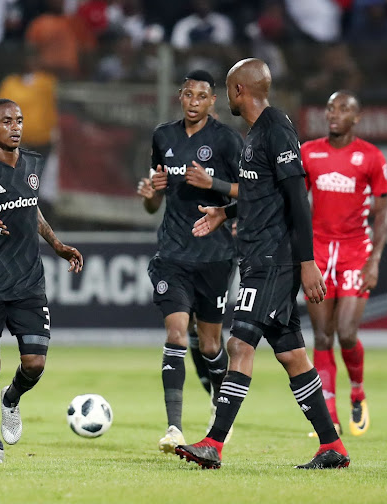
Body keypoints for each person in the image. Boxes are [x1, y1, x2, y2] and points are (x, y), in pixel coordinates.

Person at [177, 58, 349, 470]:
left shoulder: (275, 129)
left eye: (227, 89)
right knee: (292, 356)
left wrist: (307, 263)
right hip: (258, 255)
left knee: (240, 345)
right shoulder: (256, 134)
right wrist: (227, 212)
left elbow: (297, 199)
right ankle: (332, 447)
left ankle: (213, 444)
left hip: (273, 260)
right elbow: (264, 195)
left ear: (239, 91)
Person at [0, 98, 84, 464]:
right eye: (6, 121)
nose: (15, 126)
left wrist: (56, 244)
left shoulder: (31, 164)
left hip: (28, 281)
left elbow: (31, 206)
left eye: (20, 120)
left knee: (34, 364)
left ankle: (11, 399)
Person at [136, 69, 243, 454]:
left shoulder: (228, 141)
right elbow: (152, 202)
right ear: (180, 97)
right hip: (172, 254)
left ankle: (219, 403)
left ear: (212, 101)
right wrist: (150, 192)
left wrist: (211, 185)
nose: (194, 101)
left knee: (211, 343)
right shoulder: (163, 136)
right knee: (177, 334)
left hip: (215, 255)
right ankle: (174, 429)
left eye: (202, 96)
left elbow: (251, 191)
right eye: (188, 94)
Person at [300, 90, 387, 438]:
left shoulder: (370, 157)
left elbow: (382, 215)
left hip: (355, 251)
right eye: (330, 108)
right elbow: (297, 202)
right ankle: (331, 417)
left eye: (342, 109)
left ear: (357, 117)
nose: (333, 114)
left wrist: (374, 261)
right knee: (322, 336)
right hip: (319, 252)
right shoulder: (310, 152)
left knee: (347, 332)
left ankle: (357, 391)